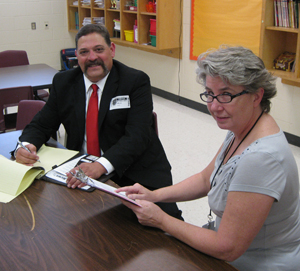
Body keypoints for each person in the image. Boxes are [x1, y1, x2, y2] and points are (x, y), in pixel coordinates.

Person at [116, 45, 300, 270]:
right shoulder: (243, 128)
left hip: (253, 263)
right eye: (210, 94)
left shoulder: (261, 158)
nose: (213, 106)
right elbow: (206, 179)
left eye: (226, 95)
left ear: (257, 95)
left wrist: (161, 219)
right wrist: (154, 195)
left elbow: (227, 247)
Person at [14, 23, 182, 219]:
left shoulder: (135, 81)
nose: (92, 57)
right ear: (76, 55)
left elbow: (138, 136)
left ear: (112, 50)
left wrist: (101, 165)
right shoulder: (64, 82)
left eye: (99, 50)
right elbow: (42, 124)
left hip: (136, 173)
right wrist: (26, 146)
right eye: (84, 52)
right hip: (81, 174)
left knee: (166, 234)